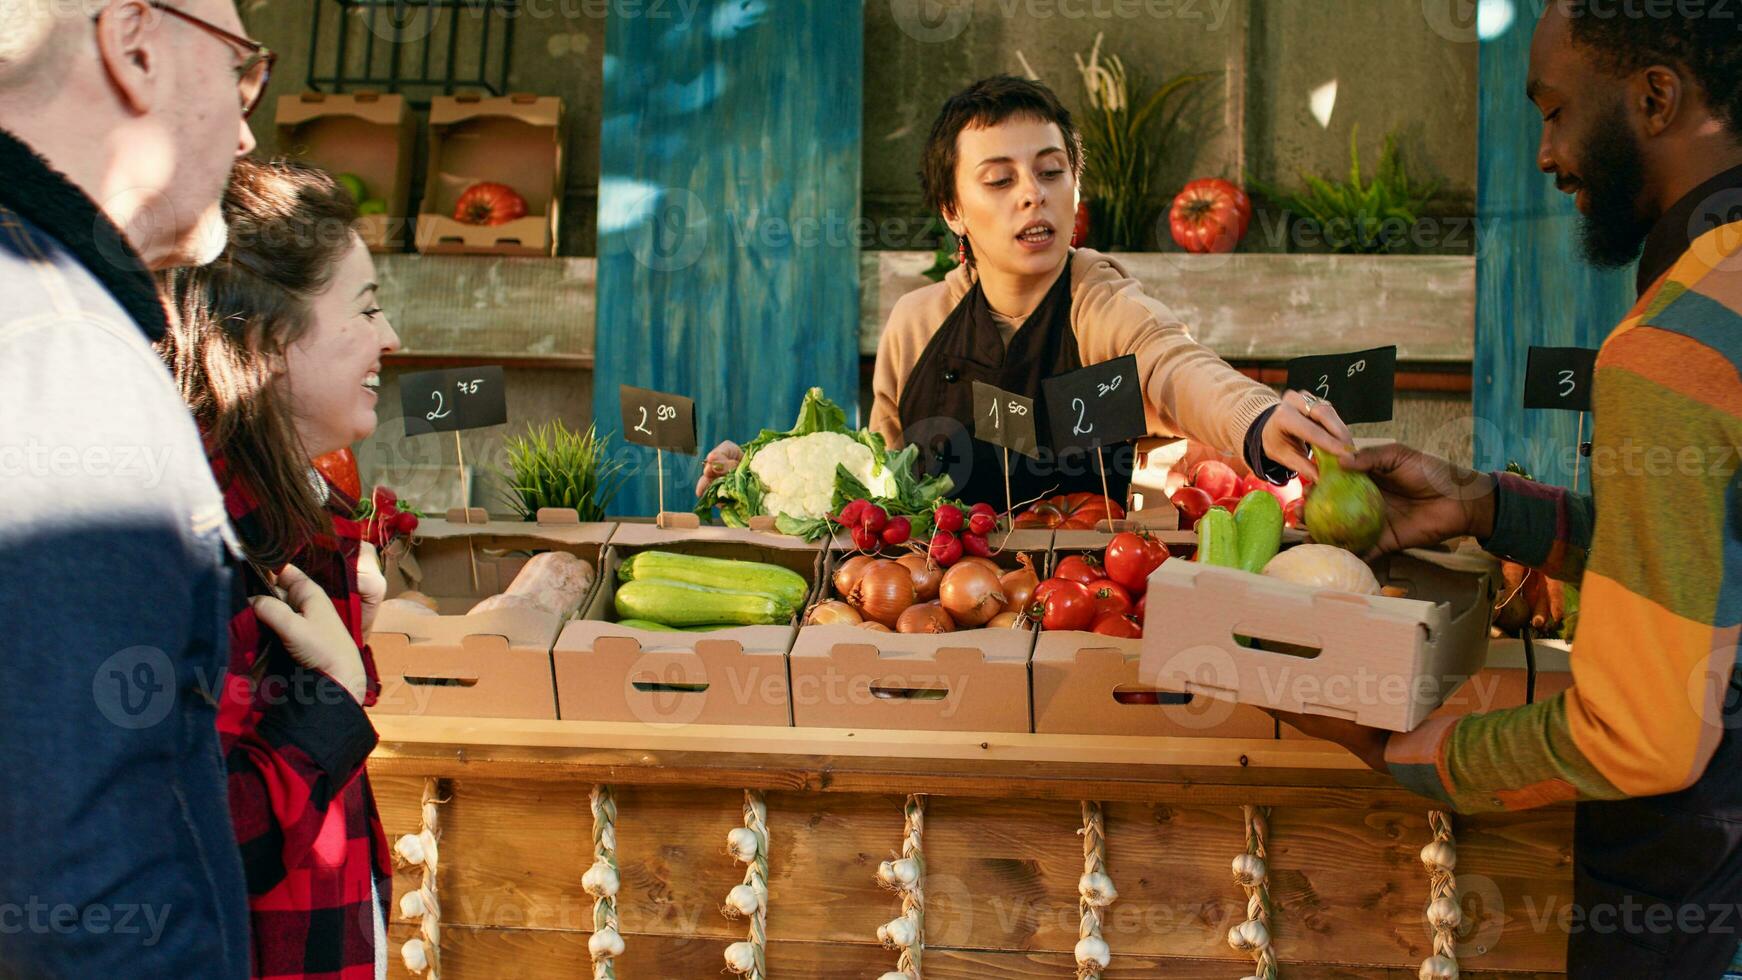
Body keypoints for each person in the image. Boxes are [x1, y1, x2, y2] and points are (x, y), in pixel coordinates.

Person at [1280, 7, 1742, 976]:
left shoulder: (1674, 346)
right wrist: (1490, 506)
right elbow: (1712, 557)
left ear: (1653, 97)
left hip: (1697, 886)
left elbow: (1641, 736)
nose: (1545, 155)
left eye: (1555, 112)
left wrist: (1393, 741)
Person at [699, 75, 1352, 508]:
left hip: (1083, 610)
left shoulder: (1100, 305)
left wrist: (1257, 421)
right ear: (952, 208)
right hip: (934, 610)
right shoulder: (917, 323)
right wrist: (755, 481)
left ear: (1074, 188)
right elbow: (877, 482)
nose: (1031, 194)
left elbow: (1175, 365)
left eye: (1049, 170)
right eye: (998, 179)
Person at [0, 1, 266, 973]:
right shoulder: (61, 352)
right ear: (135, 43)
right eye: (241, 68)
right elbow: (81, 897)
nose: (246, 128)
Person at [159, 157, 403, 979]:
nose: (391, 339)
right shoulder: (204, 532)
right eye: (366, 309)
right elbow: (208, 837)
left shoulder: (288, 498)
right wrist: (333, 695)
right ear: (267, 338)